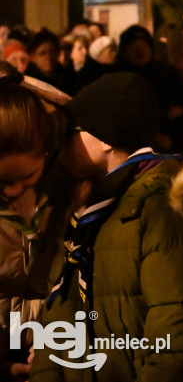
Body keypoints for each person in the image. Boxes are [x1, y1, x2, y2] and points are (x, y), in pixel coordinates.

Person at [31, 72, 183, 380]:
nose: (64, 142)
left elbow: (177, 331)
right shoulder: (88, 208)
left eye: (75, 130)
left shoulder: (163, 204)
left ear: (106, 138)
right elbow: (56, 318)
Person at [0, 78, 78, 381]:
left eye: (26, 176)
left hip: (56, 341)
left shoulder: (63, 190)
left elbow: (76, 112)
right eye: (2, 181)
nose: (13, 190)